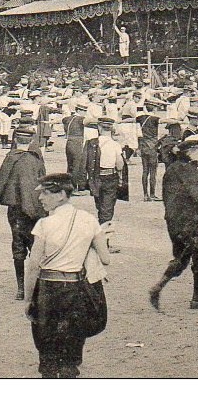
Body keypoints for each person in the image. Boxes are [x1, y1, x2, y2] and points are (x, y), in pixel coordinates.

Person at [25, 173, 110, 378]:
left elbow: (33, 266)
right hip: (76, 290)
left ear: (62, 194)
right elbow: (106, 259)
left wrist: (28, 299)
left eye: (45, 193)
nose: (40, 198)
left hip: (47, 289)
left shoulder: (44, 225)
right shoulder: (89, 220)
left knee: (47, 346)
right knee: (71, 346)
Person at [149, 139, 198, 311]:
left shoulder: (173, 169)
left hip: (175, 221)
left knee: (182, 259)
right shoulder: (187, 170)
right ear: (190, 151)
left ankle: (159, 286)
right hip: (193, 221)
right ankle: (197, 298)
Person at [0, 127, 47, 299]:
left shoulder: (10, 157)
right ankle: (36, 288)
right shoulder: (36, 160)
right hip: (35, 209)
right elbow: (44, 181)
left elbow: (0, 180)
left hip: (15, 210)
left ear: (15, 140)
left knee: (18, 246)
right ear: (30, 141)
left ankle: (21, 289)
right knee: (37, 247)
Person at [83, 117, 124, 253]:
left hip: (95, 178)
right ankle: (104, 245)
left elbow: (85, 163)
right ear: (111, 129)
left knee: (100, 209)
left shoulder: (91, 143)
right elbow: (119, 165)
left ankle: (100, 241)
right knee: (107, 213)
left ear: (99, 128)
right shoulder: (115, 145)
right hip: (110, 178)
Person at [62, 104, 87, 191]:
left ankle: (68, 186)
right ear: (80, 111)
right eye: (84, 111)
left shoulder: (67, 119)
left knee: (70, 165)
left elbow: (63, 120)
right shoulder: (81, 119)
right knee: (78, 165)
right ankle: (76, 187)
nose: (85, 113)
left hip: (68, 142)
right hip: (77, 143)